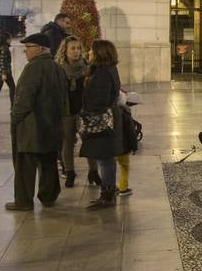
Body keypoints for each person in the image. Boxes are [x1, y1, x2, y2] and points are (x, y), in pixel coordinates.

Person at [6, 34, 69, 211]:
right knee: (48, 164)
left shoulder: (33, 68)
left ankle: (23, 201)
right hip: (52, 126)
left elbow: (24, 99)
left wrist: (15, 119)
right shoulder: (57, 68)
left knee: (25, 166)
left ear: (40, 48)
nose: (25, 50)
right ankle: (48, 197)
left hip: (31, 128)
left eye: (29, 46)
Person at [80, 39, 125, 209]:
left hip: (101, 121)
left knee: (105, 159)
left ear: (100, 53)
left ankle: (108, 195)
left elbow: (99, 99)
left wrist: (86, 113)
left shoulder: (102, 73)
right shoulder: (106, 70)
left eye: (91, 50)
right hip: (106, 118)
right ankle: (107, 193)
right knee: (105, 158)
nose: (89, 53)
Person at [55, 35, 87, 187]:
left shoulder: (86, 66)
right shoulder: (59, 69)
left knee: (88, 141)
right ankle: (69, 172)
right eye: (73, 48)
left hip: (83, 111)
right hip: (65, 111)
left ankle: (93, 171)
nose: (76, 51)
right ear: (65, 51)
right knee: (67, 143)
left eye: (78, 48)